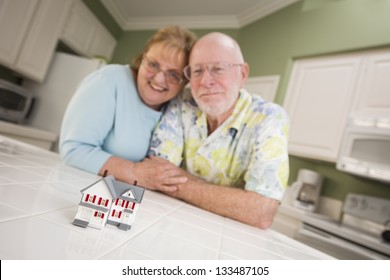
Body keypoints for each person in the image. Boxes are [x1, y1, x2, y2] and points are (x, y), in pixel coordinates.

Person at [148, 32, 289, 229]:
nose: (205, 81)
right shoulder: (183, 102)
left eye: (218, 69)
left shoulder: (268, 117)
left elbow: (261, 211)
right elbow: (156, 172)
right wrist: (232, 200)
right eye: (197, 71)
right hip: (168, 222)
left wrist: (182, 184)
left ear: (243, 74)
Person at [60, 25, 196, 189]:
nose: (159, 79)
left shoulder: (177, 109)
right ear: (142, 58)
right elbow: (74, 150)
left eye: (174, 75)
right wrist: (135, 172)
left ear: (185, 82)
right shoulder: (110, 80)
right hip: (82, 191)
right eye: (153, 64)